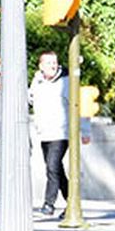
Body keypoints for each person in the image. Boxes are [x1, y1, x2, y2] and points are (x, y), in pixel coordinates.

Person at [29, 51, 70, 217]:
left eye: (54, 62)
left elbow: (78, 104)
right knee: (56, 169)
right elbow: (31, 99)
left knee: (52, 166)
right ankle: (72, 201)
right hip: (44, 133)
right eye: (48, 63)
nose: (53, 65)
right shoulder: (37, 81)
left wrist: (85, 129)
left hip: (61, 133)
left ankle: (49, 203)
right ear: (41, 66)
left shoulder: (66, 81)